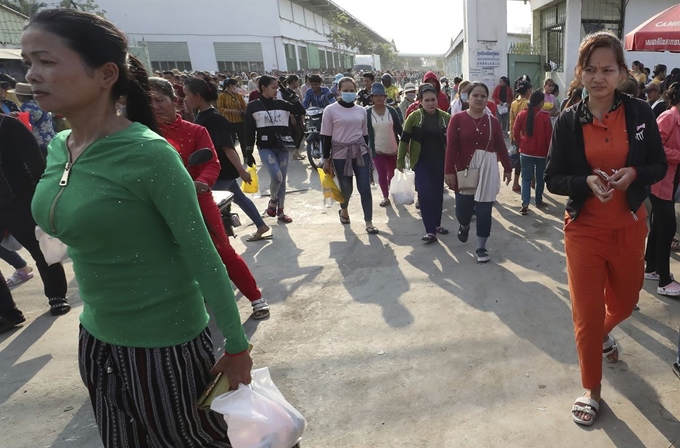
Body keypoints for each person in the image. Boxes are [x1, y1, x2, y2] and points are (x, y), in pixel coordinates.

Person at [22, 9, 253, 446]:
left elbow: (204, 254)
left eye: (46, 61)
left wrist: (238, 347)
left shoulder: (150, 156)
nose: (32, 75)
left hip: (166, 346)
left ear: (106, 73)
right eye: (28, 62)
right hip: (96, 338)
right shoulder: (59, 147)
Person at [544, 31, 667, 426]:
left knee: (627, 301)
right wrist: (584, 183)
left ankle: (600, 334)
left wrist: (634, 173)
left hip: (630, 226)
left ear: (620, 71)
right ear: (580, 72)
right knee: (587, 312)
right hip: (585, 231)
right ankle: (591, 388)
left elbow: (659, 166)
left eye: (607, 69)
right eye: (591, 69)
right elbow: (553, 178)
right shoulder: (567, 120)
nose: (599, 77)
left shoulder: (640, 113)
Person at [152, 77, 271, 318]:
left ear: (173, 101)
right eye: (147, 101)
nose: (154, 106)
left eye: (158, 99)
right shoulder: (142, 135)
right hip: (159, 204)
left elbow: (212, 164)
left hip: (198, 197)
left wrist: (201, 183)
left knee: (223, 250)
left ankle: (256, 297)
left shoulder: (196, 130)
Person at [0, 114, 70, 317]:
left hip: (20, 200)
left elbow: (36, 163)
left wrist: (43, 196)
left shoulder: (8, 125)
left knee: (42, 250)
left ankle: (57, 297)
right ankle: (7, 313)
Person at [445, 82, 512, 262]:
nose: (480, 99)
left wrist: (507, 167)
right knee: (463, 211)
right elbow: (451, 147)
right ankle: (464, 225)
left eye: (483, 96)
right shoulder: (457, 119)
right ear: (468, 97)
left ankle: (481, 247)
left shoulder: (493, 122)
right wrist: (449, 171)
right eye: (476, 95)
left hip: (488, 170)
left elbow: (500, 146)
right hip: (465, 170)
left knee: (484, 211)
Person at [320, 77, 378, 234]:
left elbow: (365, 135)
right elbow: (326, 136)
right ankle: (344, 210)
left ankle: (368, 221)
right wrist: (326, 159)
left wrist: (367, 152)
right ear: (339, 91)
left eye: (351, 90)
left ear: (356, 91)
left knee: (364, 187)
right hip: (340, 155)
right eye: (345, 90)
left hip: (360, 152)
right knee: (346, 188)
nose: (349, 93)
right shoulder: (330, 110)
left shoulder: (361, 111)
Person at [245, 75, 305, 223]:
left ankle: (281, 211)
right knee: (277, 176)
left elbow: (301, 110)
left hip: (283, 146)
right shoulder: (253, 106)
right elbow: (249, 130)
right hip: (265, 147)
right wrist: (248, 151)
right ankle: (273, 201)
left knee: (282, 180)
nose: (276, 91)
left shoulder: (283, 103)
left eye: (277, 88)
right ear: (263, 88)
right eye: (273, 88)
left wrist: (290, 94)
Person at [398, 84, 451, 242]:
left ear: (437, 100)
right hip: (421, 163)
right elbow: (404, 140)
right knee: (424, 195)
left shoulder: (445, 118)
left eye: (433, 100)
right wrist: (400, 160)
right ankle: (430, 231)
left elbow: (453, 142)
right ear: (420, 101)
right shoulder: (413, 118)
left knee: (437, 195)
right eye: (426, 100)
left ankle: (437, 225)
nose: (430, 103)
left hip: (440, 162)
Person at [644, 82, 680, 296]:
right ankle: (665, 282)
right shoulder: (668, 117)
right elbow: (655, 146)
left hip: (669, 183)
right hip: (659, 182)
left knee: (659, 225)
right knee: (667, 227)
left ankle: (653, 268)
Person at [512, 90, 552, 215]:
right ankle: (538, 201)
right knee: (540, 178)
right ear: (540, 102)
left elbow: (515, 130)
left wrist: (521, 142)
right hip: (541, 153)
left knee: (526, 179)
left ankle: (525, 203)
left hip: (525, 151)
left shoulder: (522, 114)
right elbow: (549, 137)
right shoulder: (544, 116)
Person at [367, 83, 402, 207]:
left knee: (392, 174)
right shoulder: (368, 113)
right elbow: (365, 133)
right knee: (381, 173)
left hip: (393, 148)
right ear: (372, 97)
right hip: (377, 150)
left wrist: (404, 145)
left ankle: (392, 192)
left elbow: (399, 129)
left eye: (381, 95)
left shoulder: (391, 111)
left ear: (385, 96)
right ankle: (385, 197)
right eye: (376, 95)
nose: (379, 98)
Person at [13, 82, 56, 154]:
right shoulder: (41, 103)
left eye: (17, 94)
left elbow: (25, 126)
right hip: (50, 140)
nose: (16, 96)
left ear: (22, 96)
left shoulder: (27, 107)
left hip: (37, 143)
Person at [509, 80, 532, 192]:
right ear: (528, 91)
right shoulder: (527, 103)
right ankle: (516, 182)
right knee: (524, 160)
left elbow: (511, 121)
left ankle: (519, 181)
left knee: (518, 159)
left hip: (515, 135)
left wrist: (512, 136)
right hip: (524, 137)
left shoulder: (513, 103)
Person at [217, 78, 248, 158]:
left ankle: (246, 156)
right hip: (229, 121)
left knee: (243, 140)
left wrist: (244, 112)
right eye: (235, 85)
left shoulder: (238, 95)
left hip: (240, 121)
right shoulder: (222, 95)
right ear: (230, 86)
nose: (237, 87)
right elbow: (220, 108)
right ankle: (234, 158)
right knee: (231, 141)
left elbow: (244, 106)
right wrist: (230, 111)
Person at [279, 74, 306, 160]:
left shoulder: (293, 91)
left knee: (298, 133)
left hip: (297, 115)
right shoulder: (287, 93)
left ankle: (295, 151)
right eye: (297, 81)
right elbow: (288, 106)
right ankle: (295, 151)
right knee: (299, 132)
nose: (298, 83)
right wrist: (292, 117)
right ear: (293, 82)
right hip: (292, 116)